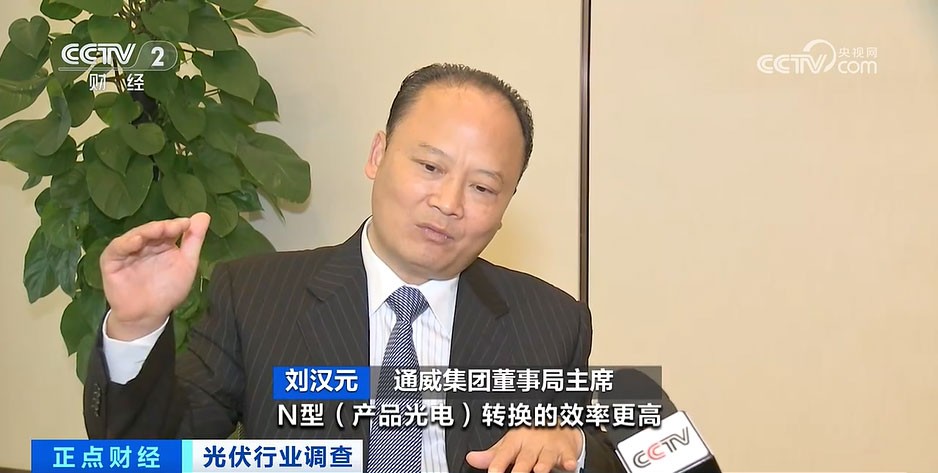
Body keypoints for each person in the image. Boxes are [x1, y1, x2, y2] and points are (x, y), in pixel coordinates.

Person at [83, 63, 625, 473]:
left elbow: (648, 454)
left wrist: (576, 450)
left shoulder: (552, 323)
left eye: (483, 188)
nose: (448, 203)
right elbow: (151, 455)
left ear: (505, 206)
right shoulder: (253, 297)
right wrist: (136, 329)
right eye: (430, 166)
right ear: (377, 155)